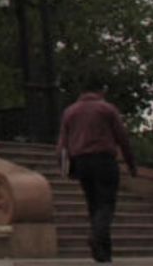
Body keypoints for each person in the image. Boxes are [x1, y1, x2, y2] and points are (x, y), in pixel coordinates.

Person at [57, 85, 137, 263]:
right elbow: (122, 137)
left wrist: (65, 168)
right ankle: (97, 236)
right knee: (106, 202)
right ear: (100, 92)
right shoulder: (106, 108)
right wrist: (131, 164)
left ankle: (104, 253)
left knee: (93, 203)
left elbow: (62, 143)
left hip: (81, 161)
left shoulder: (70, 111)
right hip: (103, 159)